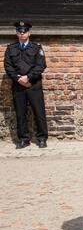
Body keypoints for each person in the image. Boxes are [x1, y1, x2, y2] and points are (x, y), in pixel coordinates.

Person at [4, 21, 48, 149]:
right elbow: (8, 66)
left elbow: (41, 65)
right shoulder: (11, 48)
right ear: (16, 33)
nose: (22, 34)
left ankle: (41, 138)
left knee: (39, 112)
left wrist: (28, 77)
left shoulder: (37, 48)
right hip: (18, 85)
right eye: (19, 32)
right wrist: (18, 78)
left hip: (34, 85)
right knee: (20, 113)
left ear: (29, 33)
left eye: (24, 32)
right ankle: (24, 139)